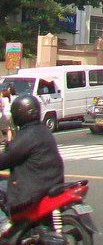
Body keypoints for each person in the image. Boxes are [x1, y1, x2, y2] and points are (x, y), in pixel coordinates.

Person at [0, 95, 66, 236]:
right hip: (50, 181)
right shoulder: (42, 130)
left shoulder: (26, 135)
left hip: (34, 186)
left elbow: (6, 158)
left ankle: (4, 224)